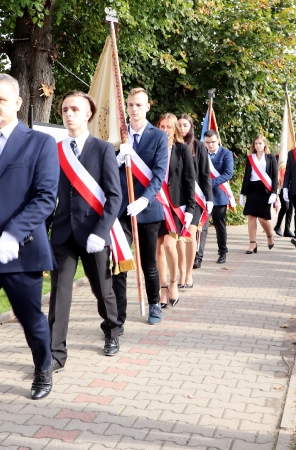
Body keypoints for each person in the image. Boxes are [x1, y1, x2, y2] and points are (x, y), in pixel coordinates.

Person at [48, 91, 122, 372]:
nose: (68, 114)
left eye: (74, 109)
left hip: (94, 234)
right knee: (60, 294)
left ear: (88, 114)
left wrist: (100, 232)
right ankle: (55, 354)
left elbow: (115, 197)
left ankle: (112, 330)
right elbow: (47, 195)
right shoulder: (55, 150)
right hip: (63, 235)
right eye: (65, 110)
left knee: (103, 290)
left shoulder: (103, 149)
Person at [0, 74, 59, 400]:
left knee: (29, 318)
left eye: (2, 100)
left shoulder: (39, 143)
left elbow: (45, 197)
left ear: (18, 103)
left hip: (20, 251)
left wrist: (12, 234)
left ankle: (43, 365)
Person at [112, 88, 168, 327]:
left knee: (148, 263)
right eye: (130, 105)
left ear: (147, 107)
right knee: (121, 263)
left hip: (147, 208)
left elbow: (158, 173)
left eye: (138, 105)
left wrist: (144, 200)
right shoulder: (118, 135)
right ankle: (118, 317)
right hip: (122, 210)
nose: (134, 109)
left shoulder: (158, 136)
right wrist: (117, 158)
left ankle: (154, 303)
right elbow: (107, 170)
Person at [156, 113, 195, 308]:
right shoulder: (153, 148)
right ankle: (162, 289)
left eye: (168, 127)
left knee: (170, 246)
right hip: (156, 204)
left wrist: (190, 208)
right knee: (158, 249)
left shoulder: (182, 150)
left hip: (175, 206)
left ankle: (173, 282)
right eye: (161, 127)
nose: (164, 130)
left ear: (175, 130)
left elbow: (189, 179)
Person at [176, 114, 213, 287]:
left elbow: (205, 174)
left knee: (189, 235)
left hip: (195, 199)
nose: (182, 129)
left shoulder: (198, 146)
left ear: (191, 126)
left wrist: (209, 198)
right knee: (177, 238)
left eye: (185, 125)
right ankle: (181, 272)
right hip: (176, 197)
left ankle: (189, 273)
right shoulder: (173, 146)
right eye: (179, 125)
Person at [195, 130, 234, 265]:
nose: (210, 145)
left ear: (218, 140)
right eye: (207, 142)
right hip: (203, 196)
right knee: (202, 227)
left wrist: (209, 183)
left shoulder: (226, 154)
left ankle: (222, 252)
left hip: (219, 195)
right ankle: (198, 257)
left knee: (220, 225)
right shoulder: (200, 152)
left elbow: (228, 173)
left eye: (213, 142)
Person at [240, 135, 277, 253]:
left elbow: (275, 177)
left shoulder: (271, 158)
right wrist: (242, 193)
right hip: (253, 189)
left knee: (263, 219)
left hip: (265, 190)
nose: (258, 146)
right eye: (256, 143)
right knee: (251, 217)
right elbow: (246, 176)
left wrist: (274, 193)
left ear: (265, 144)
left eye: (260, 143)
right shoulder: (251, 158)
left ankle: (270, 235)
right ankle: (252, 243)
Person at [273, 152, 295, 238]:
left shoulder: (294, 155)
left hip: (292, 186)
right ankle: (278, 226)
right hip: (282, 186)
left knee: (290, 209)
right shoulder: (279, 157)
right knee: (285, 207)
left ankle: (287, 229)